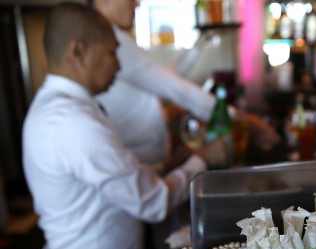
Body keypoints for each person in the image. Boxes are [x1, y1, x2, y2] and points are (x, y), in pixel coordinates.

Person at [22, 3, 227, 249]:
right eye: (111, 53)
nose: (118, 66)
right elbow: (153, 202)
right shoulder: (72, 123)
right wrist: (202, 160)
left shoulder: (60, 108)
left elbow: (101, 181)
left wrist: (165, 165)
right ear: (78, 51)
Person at [88, 0, 281, 171]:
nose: (137, 4)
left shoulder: (115, 37)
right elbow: (177, 89)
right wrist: (246, 122)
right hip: (140, 165)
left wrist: (201, 42)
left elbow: (163, 78)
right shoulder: (115, 40)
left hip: (146, 163)